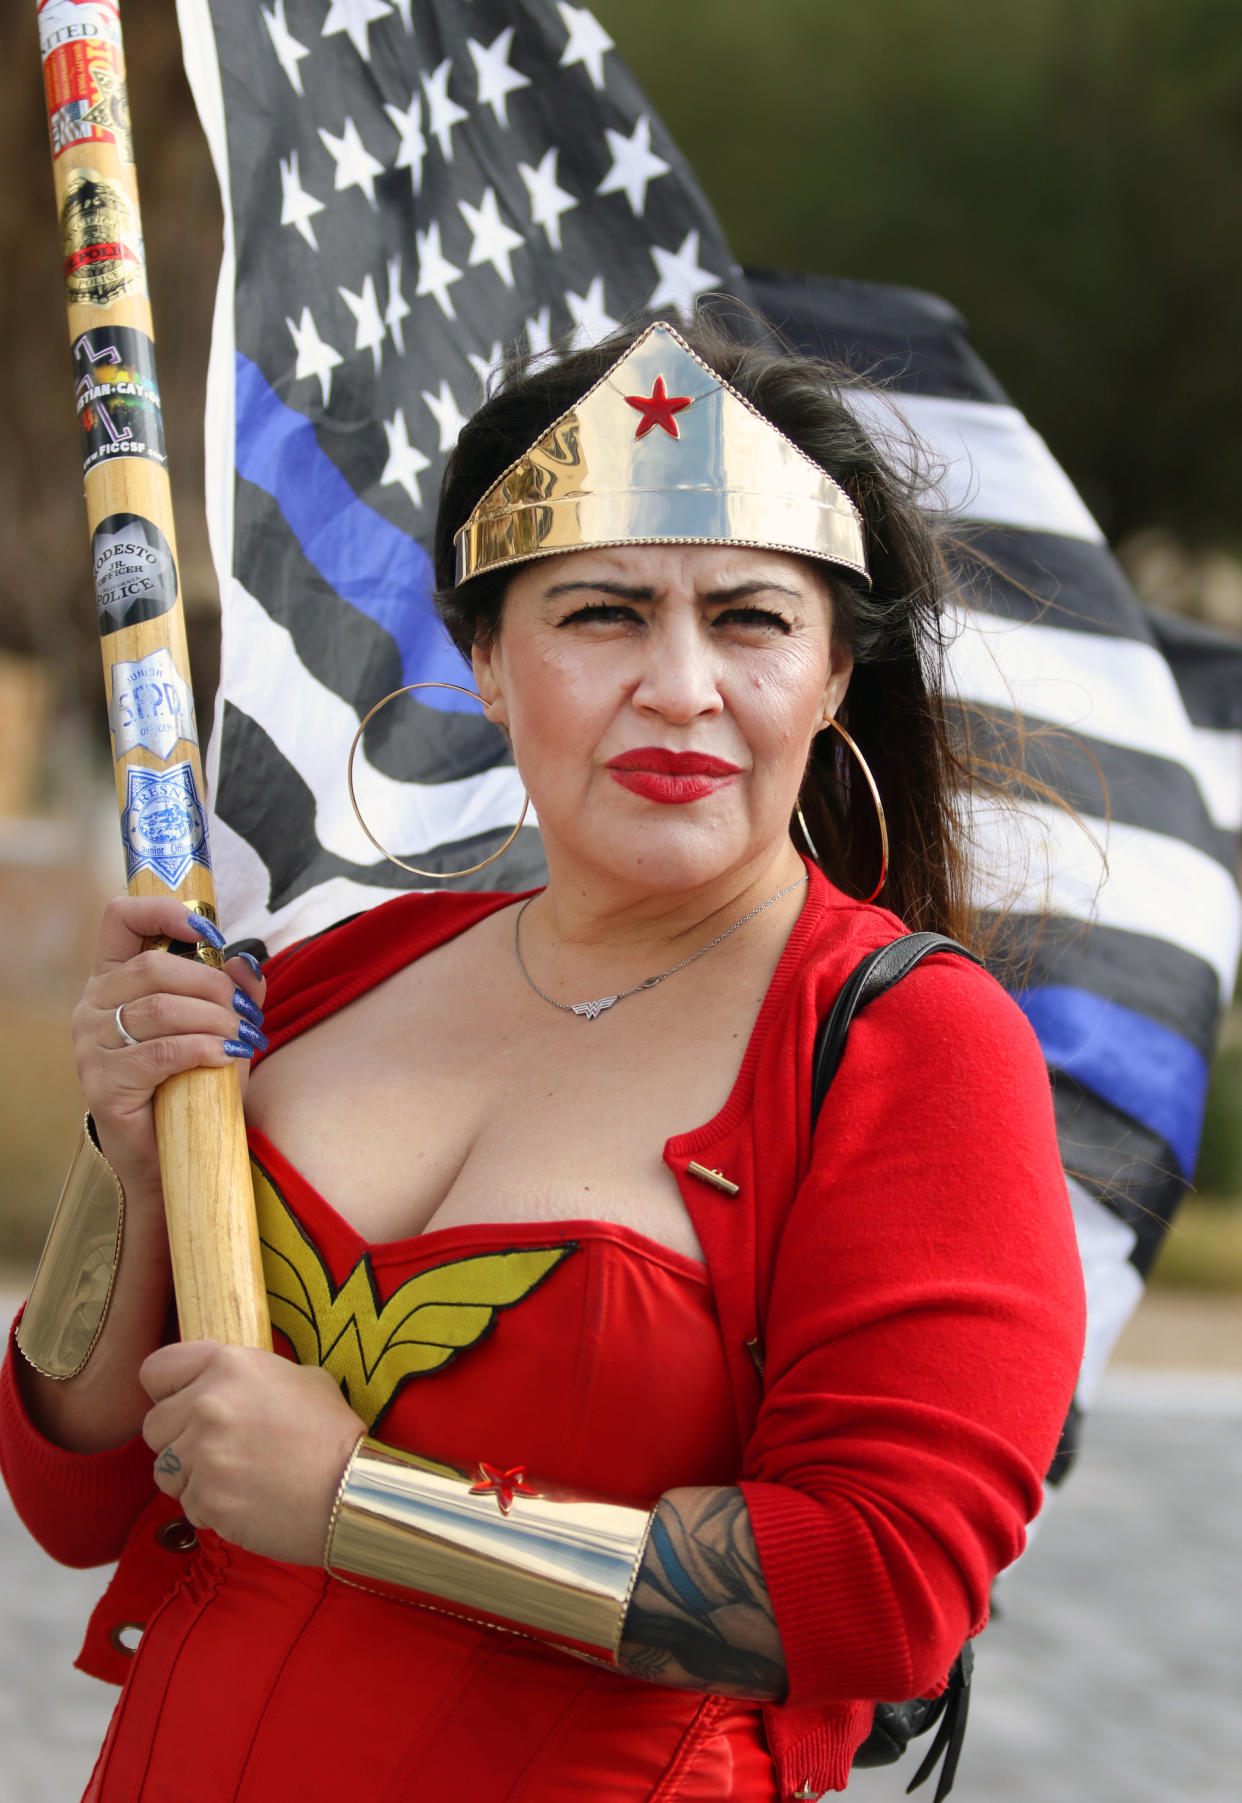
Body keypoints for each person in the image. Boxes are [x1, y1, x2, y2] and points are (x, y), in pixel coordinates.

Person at [0, 319, 1085, 1801]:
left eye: (753, 620)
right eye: (602, 612)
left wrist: (354, 1501)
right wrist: (125, 1160)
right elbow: (75, 1493)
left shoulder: (902, 1044)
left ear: (833, 674)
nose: (681, 686)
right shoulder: (319, 984)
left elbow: (888, 1585)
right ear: (485, 661)